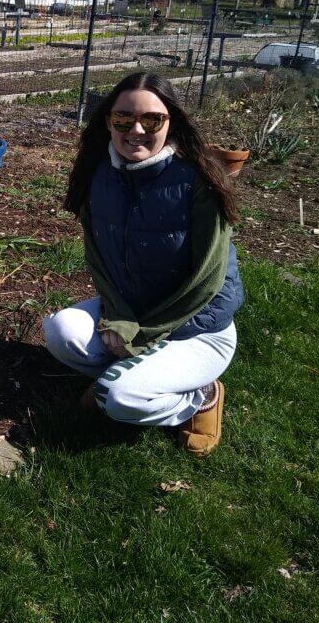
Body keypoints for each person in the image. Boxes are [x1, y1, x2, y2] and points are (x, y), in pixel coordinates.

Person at [43, 72, 244, 456]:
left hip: (199, 328)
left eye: (151, 120)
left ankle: (199, 397)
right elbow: (99, 262)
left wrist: (140, 333)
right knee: (59, 331)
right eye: (123, 119)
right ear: (108, 122)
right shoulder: (98, 174)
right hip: (134, 314)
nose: (135, 129)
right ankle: (140, 375)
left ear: (171, 123)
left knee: (116, 398)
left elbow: (209, 284)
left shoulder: (199, 180)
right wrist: (118, 318)